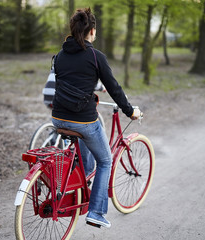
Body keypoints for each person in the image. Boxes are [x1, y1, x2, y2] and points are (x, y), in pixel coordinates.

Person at [51, 7, 141, 228]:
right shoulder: (95, 56)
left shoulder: (60, 55)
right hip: (82, 121)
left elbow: (70, 83)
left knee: (85, 153)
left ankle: (82, 185)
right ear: (91, 31)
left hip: (57, 118)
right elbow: (114, 88)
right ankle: (96, 212)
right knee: (105, 160)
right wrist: (130, 111)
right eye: (95, 31)